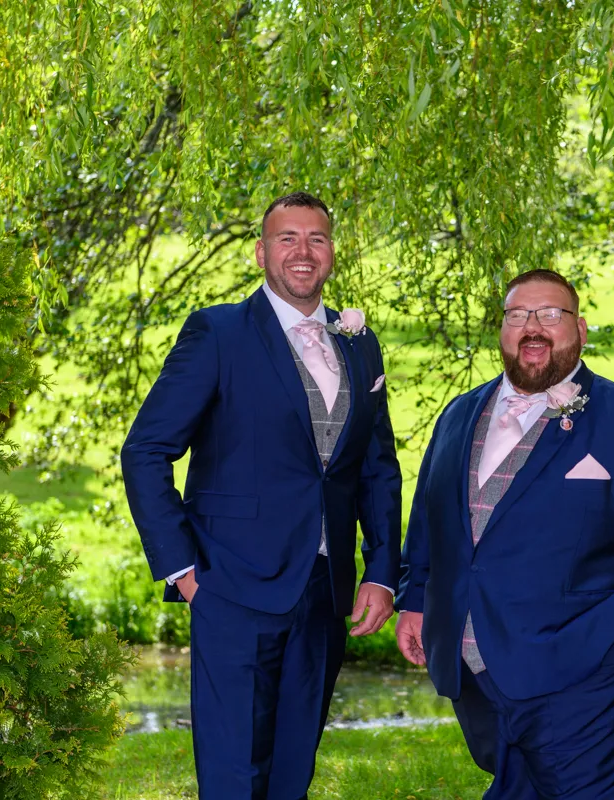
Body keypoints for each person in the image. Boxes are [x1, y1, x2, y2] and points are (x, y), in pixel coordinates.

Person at [121, 192, 401, 799]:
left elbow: (377, 467)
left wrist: (381, 572)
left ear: (330, 253)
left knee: (291, 773)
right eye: (287, 239)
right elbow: (145, 451)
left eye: (317, 239)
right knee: (233, 776)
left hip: (325, 591)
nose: (303, 252)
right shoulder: (218, 332)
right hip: (232, 585)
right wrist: (185, 571)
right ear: (261, 252)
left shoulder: (359, 342)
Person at [395, 268, 614, 798]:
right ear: (503, 329)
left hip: (586, 667)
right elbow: (429, 522)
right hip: (476, 669)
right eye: (518, 315)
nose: (533, 326)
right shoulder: (459, 415)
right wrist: (415, 601)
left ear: (580, 328)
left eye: (550, 314)